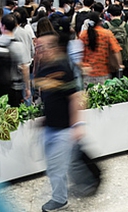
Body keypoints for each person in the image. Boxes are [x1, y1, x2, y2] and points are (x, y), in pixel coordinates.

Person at [34, 34, 83, 212]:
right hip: (50, 126)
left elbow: (75, 97)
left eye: (41, 48)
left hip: (64, 128)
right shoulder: (43, 68)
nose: (39, 51)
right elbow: (48, 97)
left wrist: (77, 125)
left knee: (56, 167)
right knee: (54, 166)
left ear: (52, 48)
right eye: (37, 48)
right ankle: (62, 193)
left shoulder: (64, 68)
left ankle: (60, 199)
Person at [0, 14, 30, 103]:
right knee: (13, 113)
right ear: (15, 26)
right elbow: (25, 68)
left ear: (2, 26)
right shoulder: (19, 45)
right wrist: (27, 87)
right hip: (14, 86)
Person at [79, 12, 121, 84]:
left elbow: (78, 53)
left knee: (87, 94)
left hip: (87, 73)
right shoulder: (107, 34)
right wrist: (118, 66)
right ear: (100, 22)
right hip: (104, 73)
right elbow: (115, 51)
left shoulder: (83, 35)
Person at [103, 4, 128, 73]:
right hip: (124, 58)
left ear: (109, 14)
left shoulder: (106, 26)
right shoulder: (126, 26)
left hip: (110, 59)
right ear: (121, 14)